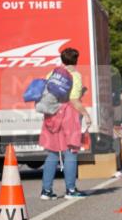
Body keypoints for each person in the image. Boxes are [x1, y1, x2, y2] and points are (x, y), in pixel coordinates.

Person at [39, 47, 91, 199]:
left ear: (62, 59)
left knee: (53, 153)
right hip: (68, 116)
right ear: (76, 60)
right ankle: (71, 190)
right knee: (70, 152)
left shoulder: (52, 73)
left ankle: (46, 191)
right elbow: (73, 99)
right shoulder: (75, 75)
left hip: (52, 115)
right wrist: (86, 114)